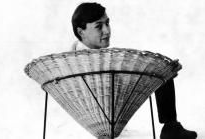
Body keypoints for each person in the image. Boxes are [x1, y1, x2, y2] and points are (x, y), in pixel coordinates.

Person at [71, 2, 197, 139]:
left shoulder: (85, 56)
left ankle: (171, 126)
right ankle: (170, 127)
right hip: (102, 114)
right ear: (80, 31)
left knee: (160, 70)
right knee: (160, 70)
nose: (107, 31)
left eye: (107, 23)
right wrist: (159, 72)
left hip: (109, 103)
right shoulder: (80, 62)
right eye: (98, 26)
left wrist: (161, 71)